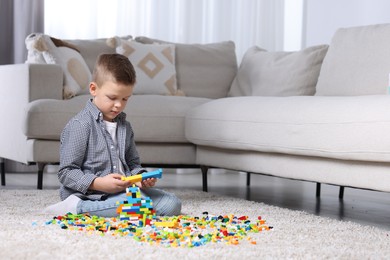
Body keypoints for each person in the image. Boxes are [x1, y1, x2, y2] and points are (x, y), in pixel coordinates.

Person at [44, 53, 181, 217]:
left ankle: (132, 207)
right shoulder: (80, 125)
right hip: (91, 195)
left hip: (124, 193)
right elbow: (66, 172)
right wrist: (99, 183)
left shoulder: (125, 127)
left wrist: (141, 177)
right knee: (136, 205)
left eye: (125, 99)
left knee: (172, 204)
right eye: (112, 97)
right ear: (94, 89)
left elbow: (133, 164)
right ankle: (75, 207)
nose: (118, 105)